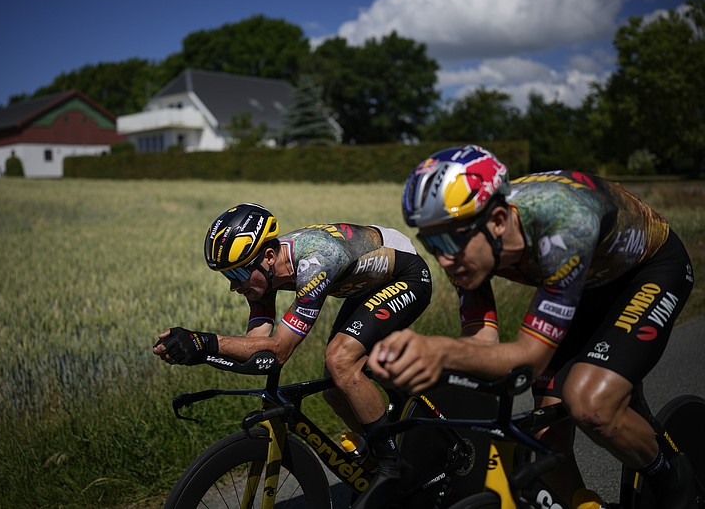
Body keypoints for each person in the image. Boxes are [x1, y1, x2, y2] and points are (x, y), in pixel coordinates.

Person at [368, 145, 696, 508]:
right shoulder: (468, 250)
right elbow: (482, 341)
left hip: (648, 272)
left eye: (451, 239)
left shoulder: (563, 220)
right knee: (544, 437)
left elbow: (530, 360)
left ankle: (676, 486)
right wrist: (419, 361)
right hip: (584, 283)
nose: (443, 258)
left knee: (590, 402)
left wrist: (439, 352)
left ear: (497, 222)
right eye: (431, 242)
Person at [153, 203, 433, 501]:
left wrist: (207, 342)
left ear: (269, 257)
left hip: (407, 276)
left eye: (237, 272)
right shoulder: (263, 274)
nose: (234, 286)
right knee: (334, 389)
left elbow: (280, 350)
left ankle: (391, 467)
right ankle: (379, 448)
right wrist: (199, 351)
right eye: (227, 275)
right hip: (365, 286)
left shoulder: (316, 259)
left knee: (340, 361)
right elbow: (257, 347)